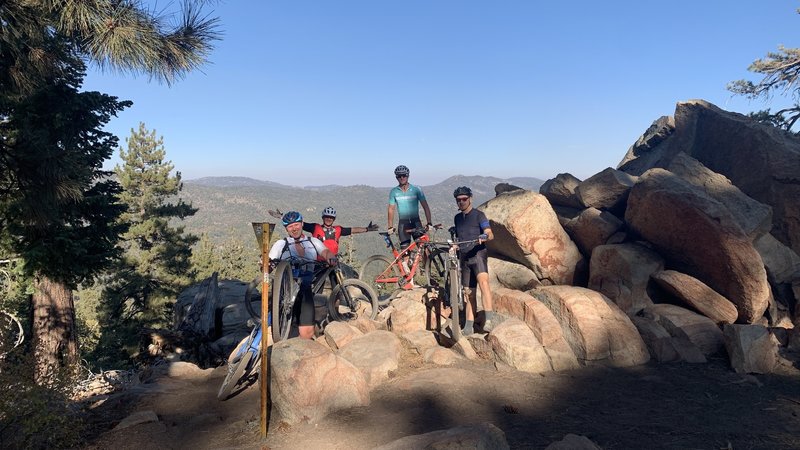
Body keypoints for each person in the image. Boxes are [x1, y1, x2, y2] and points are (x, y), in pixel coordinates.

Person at [268, 211, 337, 340]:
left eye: (296, 225)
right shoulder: (281, 244)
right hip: (285, 289)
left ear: (302, 224)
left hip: (305, 289)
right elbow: (269, 264)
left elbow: (325, 251)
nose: (294, 229)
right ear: (286, 229)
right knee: (281, 331)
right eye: (290, 226)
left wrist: (330, 258)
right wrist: (266, 264)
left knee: (307, 333)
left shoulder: (313, 241)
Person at [451, 186, 495, 335]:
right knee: (468, 292)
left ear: (470, 198)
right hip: (464, 258)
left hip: (478, 255)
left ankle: (489, 319)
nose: (461, 202)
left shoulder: (479, 215)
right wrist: (454, 246)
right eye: (458, 200)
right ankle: (469, 326)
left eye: (464, 199)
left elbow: (489, 233)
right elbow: (458, 238)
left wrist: (484, 236)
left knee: (483, 283)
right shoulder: (457, 218)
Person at [269, 207, 378, 255]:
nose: (328, 219)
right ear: (323, 217)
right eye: (326, 217)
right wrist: (282, 217)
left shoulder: (338, 229)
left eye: (331, 217)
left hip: (332, 260)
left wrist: (367, 229)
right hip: (317, 262)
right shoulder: (315, 227)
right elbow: (297, 224)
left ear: (334, 219)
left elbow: (352, 230)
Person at [387, 165, 433, 250]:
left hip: (416, 223)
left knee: (424, 249)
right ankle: (406, 263)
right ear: (396, 177)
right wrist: (390, 226)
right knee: (405, 252)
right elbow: (391, 209)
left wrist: (429, 222)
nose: (402, 178)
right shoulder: (393, 192)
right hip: (403, 224)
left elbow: (425, 206)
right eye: (399, 176)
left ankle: (426, 263)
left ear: (408, 176)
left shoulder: (417, 189)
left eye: (404, 175)